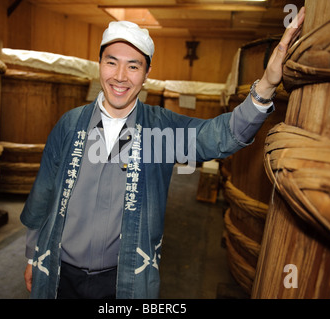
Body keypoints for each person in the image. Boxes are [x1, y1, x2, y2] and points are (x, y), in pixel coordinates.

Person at [21, 8, 305, 299]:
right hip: (59, 270)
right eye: (111, 62)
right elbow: (43, 193)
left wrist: (267, 84)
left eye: (133, 66)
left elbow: (221, 136)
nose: (120, 76)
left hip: (122, 279)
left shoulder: (160, 130)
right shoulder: (70, 124)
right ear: (99, 64)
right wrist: (32, 256)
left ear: (146, 74)